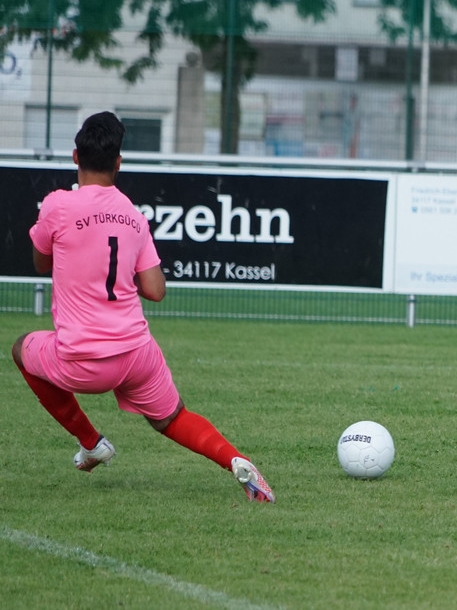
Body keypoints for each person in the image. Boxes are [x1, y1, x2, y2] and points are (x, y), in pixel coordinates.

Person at [10, 112, 274, 503]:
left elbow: (40, 262)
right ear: (118, 163)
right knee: (173, 418)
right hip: (136, 353)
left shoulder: (57, 205)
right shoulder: (134, 216)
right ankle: (237, 460)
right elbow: (155, 289)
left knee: (20, 348)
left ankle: (91, 442)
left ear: (75, 157)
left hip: (81, 358)